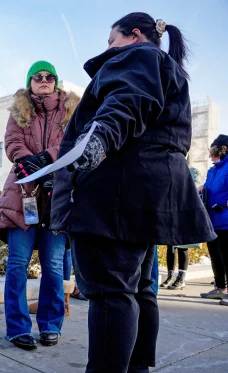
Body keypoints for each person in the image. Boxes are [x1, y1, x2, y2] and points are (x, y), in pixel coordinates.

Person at [51, 12, 216, 373]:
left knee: (112, 294)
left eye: (112, 40)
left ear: (134, 35)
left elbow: (127, 101)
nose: (108, 48)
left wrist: (97, 140)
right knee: (139, 291)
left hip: (116, 193)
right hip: (143, 193)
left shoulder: (138, 56)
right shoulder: (166, 66)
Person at [0, 60, 79, 350]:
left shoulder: (71, 110)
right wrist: (26, 160)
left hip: (58, 196)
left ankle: (50, 325)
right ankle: (17, 328)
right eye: (38, 76)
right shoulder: (19, 110)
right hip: (24, 194)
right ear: (30, 81)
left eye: (49, 76)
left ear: (56, 81)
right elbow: (12, 142)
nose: (44, 80)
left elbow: (73, 143)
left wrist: (46, 158)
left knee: (54, 266)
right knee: (17, 264)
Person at [200, 136, 228, 305]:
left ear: (220, 150)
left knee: (227, 257)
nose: (209, 155)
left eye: (211, 150)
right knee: (215, 257)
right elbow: (207, 187)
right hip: (212, 221)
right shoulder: (213, 170)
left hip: (225, 221)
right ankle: (220, 288)